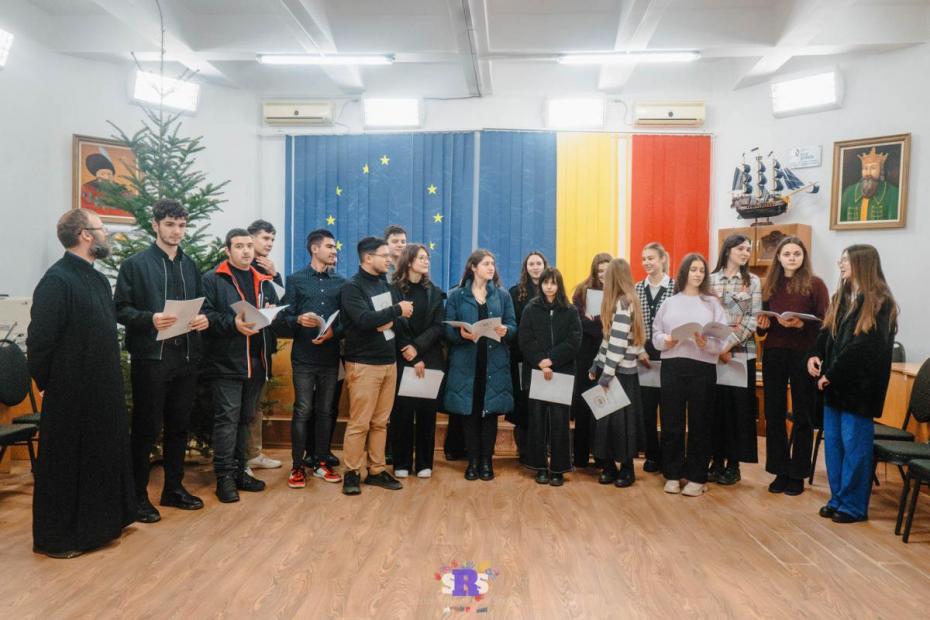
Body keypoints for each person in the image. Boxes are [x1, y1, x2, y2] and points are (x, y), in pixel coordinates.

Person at [27, 208, 136, 558]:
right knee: (67, 465)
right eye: (102, 228)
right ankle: (61, 538)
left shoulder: (98, 278)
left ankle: (103, 525)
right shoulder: (57, 280)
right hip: (70, 390)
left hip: (102, 387)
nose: (107, 234)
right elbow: (40, 340)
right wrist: (50, 382)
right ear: (85, 234)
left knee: (102, 455)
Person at [114, 199, 209, 523]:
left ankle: (173, 489)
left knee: (179, 427)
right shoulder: (135, 264)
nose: (177, 231)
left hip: (186, 356)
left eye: (182, 225)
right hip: (151, 358)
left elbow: (200, 306)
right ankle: (137, 497)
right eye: (170, 224)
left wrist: (203, 319)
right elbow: (120, 309)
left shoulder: (190, 265)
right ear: (155, 225)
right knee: (146, 428)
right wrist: (150, 318)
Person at [808, 244, 897, 523]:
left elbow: (863, 348)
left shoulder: (881, 302)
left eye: (845, 260)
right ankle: (837, 498)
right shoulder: (841, 297)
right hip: (834, 387)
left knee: (855, 449)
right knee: (834, 447)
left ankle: (853, 505)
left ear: (862, 263)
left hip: (859, 390)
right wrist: (815, 354)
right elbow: (826, 332)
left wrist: (831, 374)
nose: (841, 264)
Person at [202, 228, 282, 503]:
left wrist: (271, 311)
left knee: (246, 419)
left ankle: (240, 472)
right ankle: (224, 478)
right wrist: (232, 323)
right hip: (227, 361)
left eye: (249, 245)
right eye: (239, 246)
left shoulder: (263, 279)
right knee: (227, 420)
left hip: (257, 360)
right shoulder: (213, 279)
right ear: (228, 250)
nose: (246, 250)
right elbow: (206, 316)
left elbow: (277, 310)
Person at [339, 236, 413, 495]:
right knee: (359, 423)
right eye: (385, 256)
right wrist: (394, 312)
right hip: (363, 363)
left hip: (388, 361)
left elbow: (397, 320)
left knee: (381, 422)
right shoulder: (352, 287)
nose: (389, 260)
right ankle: (351, 472)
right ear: (368, 258)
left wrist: (388, 318)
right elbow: (363, 320)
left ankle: (376, 470)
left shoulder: (385, 284)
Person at [652, 253, 730, 497]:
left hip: (702, 367)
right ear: (684, 272)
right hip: (672, 366)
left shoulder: (712, 304)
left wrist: (706, 343)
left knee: (700, 422)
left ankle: (697, 476)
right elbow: (656, 335)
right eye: (693, 269)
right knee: (671, 421)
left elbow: (722, 340)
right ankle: (672, 474)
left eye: (701, 270)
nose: (698, 274)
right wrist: (667, 339)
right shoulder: (669, 302)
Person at [757, 236, 829, 496]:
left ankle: (798, 473)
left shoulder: (815, 284)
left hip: (803, 354)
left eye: (796, 254)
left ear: (803, 257)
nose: (791, 258)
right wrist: (763, 324)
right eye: (786, 254)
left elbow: (825, 324)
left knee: (802, 414)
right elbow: (762, 327)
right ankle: (779, 470)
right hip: (774, 353)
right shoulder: (769, 285)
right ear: (778, 257)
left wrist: (802, 324)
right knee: (774, 413)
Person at [444, 249, 517, 481]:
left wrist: (506, 330)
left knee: (490, 414)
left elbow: (513, 326)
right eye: (486, 263)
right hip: (466, 363)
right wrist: (460, 334)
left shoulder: (502, 295)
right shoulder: (456, 295)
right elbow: (447, 330)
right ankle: (473, 461)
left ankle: (487, 462)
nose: (491, 267)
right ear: (473, 267)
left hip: (494, 363)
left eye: (493, 263)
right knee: (470, 413)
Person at [280, 229, 344, 489]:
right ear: (314, 249)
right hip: (304, 357)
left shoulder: (341, 282)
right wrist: (297, 319)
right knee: (303, 409)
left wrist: (334, 332)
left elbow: (347, 320)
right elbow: (283, 319)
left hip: (330, 356)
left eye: (335, 247)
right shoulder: (295, 280)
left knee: (326, 411)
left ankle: (321, 462)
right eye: (329, 246)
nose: (334, 251)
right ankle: (297, 466)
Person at [520, 268, 581, 485]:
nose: (549, 286)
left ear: (559, 285)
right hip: (537, 371)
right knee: (537, 420)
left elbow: (574, 340)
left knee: (560, 421)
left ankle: (558, 468)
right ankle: (539, 466)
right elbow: (525, 338)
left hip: (561, 371)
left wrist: (552, 359)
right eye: (546, 282)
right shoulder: (531, 308)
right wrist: (540, 361)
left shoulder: (570, 310)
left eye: (553, 283)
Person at [708, 234, 762, 485]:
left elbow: (752, 318)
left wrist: (728, 345)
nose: (745, 253)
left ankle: (733, 464)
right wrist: (718, 348)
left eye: (748, 250)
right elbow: (705, 316)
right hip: (712, 354)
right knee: (715, 408)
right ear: (728, 250)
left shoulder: (753, 281)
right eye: (740, 248)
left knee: (738, 410)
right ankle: (716, 460)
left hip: (741, 353)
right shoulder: (710, 279)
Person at [589, 258, 646, 488]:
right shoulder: (618, 301)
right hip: (613, 370)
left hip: (620, 374)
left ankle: (627, 469)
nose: (604, 278)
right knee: (608, 423)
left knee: (621, 424)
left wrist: (606, 375)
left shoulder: (624, 303)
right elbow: (608, 340)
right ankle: (610, 466)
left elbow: (618, 344)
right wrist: (596, 363)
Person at [390, 244, 445, 478]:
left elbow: (437, 327)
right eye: (421, 257)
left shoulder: (434, 291)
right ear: (409, 261)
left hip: (429, 357)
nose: (426, 261)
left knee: (426, 414)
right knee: (401, 413)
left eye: (427, 258)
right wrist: (409, 351)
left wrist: (418, 349)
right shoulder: (392, 290)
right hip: (401, 357)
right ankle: (401, 462)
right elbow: (392, 322)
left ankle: (424, 463)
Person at [244, 219, 283, 472]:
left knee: (256, 405)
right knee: (244, 407)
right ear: (251, 238)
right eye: (265, 238)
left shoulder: (268, 272)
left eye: (272, 240)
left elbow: (282, 301)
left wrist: (276, 275)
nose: (269, 244)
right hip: (243, 349)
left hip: (263, 348)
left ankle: (253, 453)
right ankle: (240, 459)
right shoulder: (241, 268)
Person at [634, 242, 676, 474]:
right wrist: (639, 349)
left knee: (669, 408)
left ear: (662, 259)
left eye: (651, 258)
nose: (647, 263)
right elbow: (633, 323)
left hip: (669, 352)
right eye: (644, 259)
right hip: (644, 353)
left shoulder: (675, 287)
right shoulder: (636, 288)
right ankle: (652, 455)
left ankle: (669, 458)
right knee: (647, 410)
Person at [570, 253, 612, 469]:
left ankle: (601, 456)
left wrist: (595, 322)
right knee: (584, 405)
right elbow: (577, 323)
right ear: (594, 271)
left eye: (607, 270)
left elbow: (615, 326)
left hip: (609, 355)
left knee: (603, 406)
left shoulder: (618, 292)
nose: (603, 274)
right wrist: (600, 325)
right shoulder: (582, 290)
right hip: (585, 356)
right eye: (600, 270)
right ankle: (580, 457)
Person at [508, 251, 548, 462]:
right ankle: (524, 451)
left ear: (544, 266)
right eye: (531, 264)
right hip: (523, 358)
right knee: (524, 405)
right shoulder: (515, 292)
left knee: (545, 404)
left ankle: (542, 449)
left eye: (538, 263)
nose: (535, 267)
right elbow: (513, 325)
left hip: (547, 360)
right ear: (526, 268)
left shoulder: (552, 289)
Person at [839, 147, 900, 222]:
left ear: (881, 171)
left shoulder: (893, 193)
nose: (868, 173)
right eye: (865, 168)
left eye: (873, 168)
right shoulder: (848, 193)